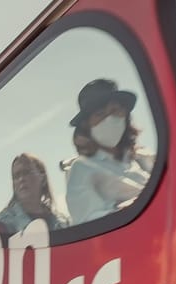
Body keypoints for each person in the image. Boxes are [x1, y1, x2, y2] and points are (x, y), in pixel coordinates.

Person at [64, 77, 156, 225]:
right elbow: (87, 222)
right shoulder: (81, 168)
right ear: (87, 125)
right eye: (100, 114)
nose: (109, 119)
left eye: (115, 110)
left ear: (126, 116)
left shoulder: (144, 157)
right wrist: (128, 208)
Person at [0, 153, 68, 237]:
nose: (21, 179)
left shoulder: (61, 223)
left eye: (26, 172)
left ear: (42, 179)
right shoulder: (3, 224)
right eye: (16, 176)